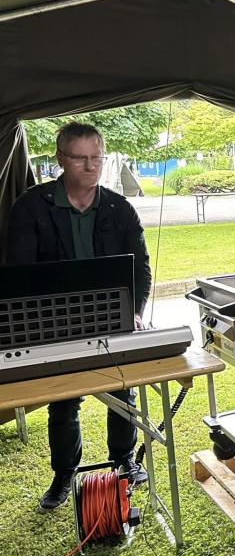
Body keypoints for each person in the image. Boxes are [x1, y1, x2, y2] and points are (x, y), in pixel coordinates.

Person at [4, 122, 151, 512]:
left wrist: (136, 312)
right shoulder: (31, 207)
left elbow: (140, 268)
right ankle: (64, 474)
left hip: (113, 318)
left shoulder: (119, 208)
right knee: (63, 401)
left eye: (96, 158)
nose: (90, 166)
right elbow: (19, 273)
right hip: (53, 323)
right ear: (60, 159)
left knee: (122, 391)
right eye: (79, 158)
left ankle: (123, 460)